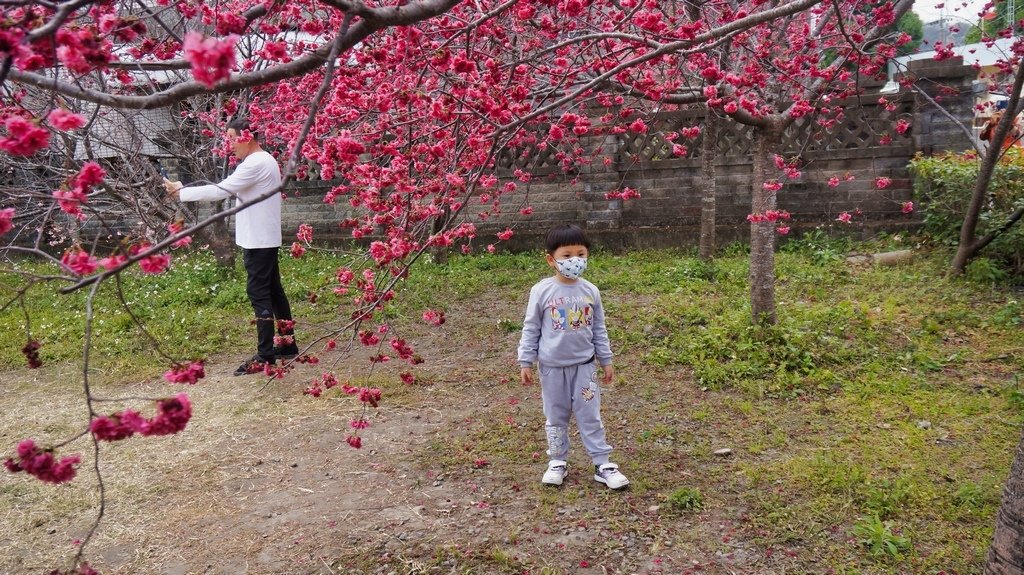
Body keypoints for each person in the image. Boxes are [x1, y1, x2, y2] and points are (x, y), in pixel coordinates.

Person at [164, 117, 299, 376]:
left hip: (258, 239)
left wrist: (181, 192)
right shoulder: (265, 160)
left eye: (232, 138)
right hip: (263, 237)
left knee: (259, 292)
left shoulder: (255, 163)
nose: (230, 145)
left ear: (246, 136)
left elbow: (220, 191)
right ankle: (286, 343)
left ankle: (265, 354)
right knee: (274, 291)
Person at [517, 224, 629, 490]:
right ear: (551, 259)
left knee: (590, 415)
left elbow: (599, 328)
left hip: (585, 368)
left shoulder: (590, 291)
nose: (574, 260)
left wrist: (606, 359)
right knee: (555, 416)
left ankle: (602, 463)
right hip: (551, 369)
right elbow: (531, 326)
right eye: (567, 255)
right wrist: (526, 360)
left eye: (581, 254)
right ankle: (557, 461)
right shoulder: (541, 291)